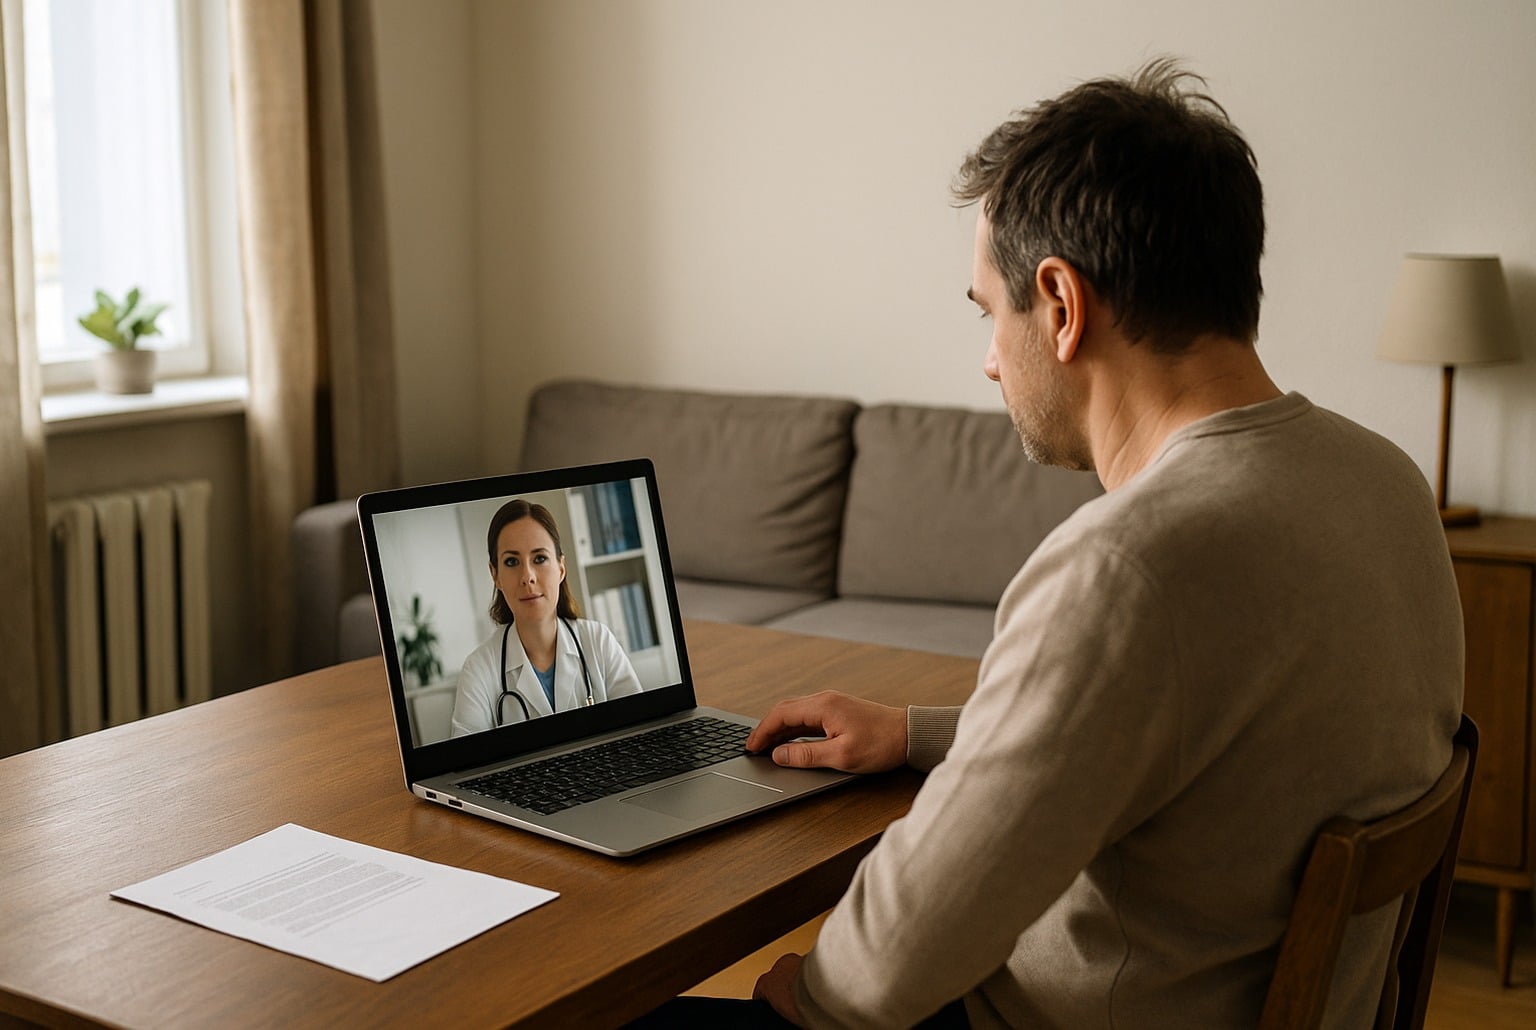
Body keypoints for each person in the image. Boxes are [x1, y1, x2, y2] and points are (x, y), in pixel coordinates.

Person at [720, 60, 1462, 1028]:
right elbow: (1195, 737)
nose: (990, 359)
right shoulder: (1386, 482)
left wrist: (809, 997)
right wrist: (918, 734)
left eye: (992, 312)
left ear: (1062, 307)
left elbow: (881, 972)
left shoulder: (1125, 568)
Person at [449, 499, 642, 736]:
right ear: (495, 575)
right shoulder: (479, 669)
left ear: (561, 568)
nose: (527, 576)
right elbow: (468, 767)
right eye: (512, 562)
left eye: (539, 558)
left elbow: (641, 733)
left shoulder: (598, 641)